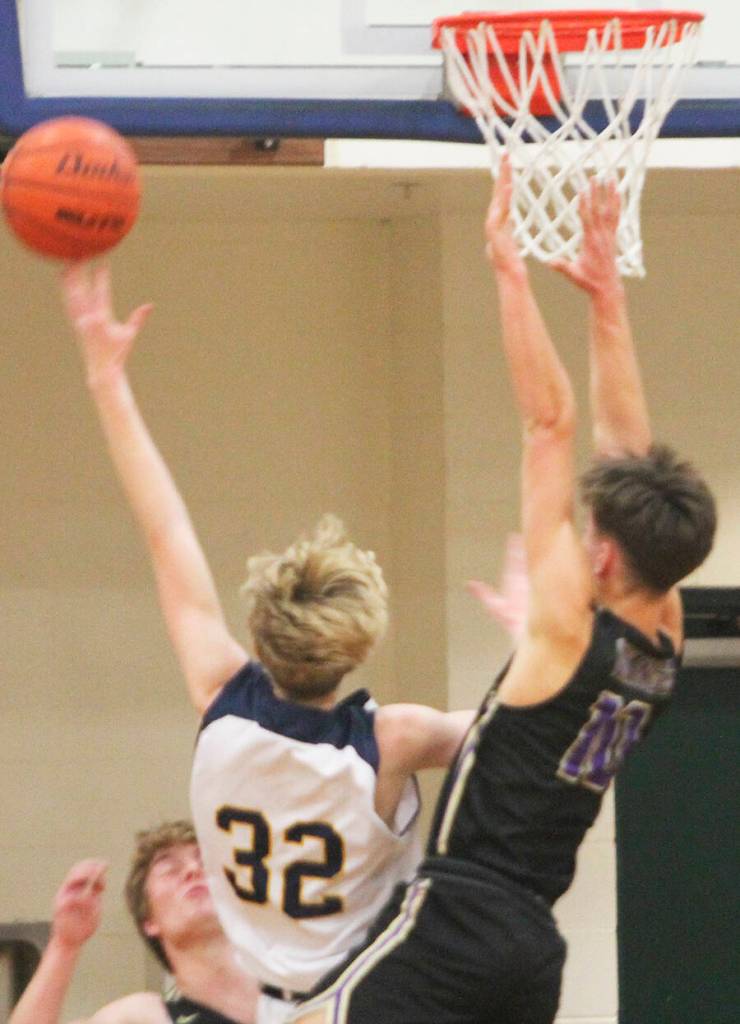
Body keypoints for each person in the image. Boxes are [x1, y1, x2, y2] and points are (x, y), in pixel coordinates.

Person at [287, 159, 717, 1024]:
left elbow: (550, 423)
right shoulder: (663, 626)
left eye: (591, 534)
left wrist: (508, 272)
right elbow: (625, 451)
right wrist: (605, 302)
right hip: (531, 946)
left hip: (456, 922)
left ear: (600, 560)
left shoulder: (567, 621)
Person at [60, 266, 478, 1023]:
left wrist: (106, 378)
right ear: (357, 645)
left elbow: (166, 532)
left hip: (271, 1005)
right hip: (364, 1001)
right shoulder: (393, 739)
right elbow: (521, 739)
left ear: (262, 629)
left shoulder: (222, 698)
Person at [9, 821, 259, 1024]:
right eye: (170, 869)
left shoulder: (295, 987)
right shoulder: (143, 1017)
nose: (193, 870)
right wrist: (64, 945)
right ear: (149, 921)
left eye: (205, 863)